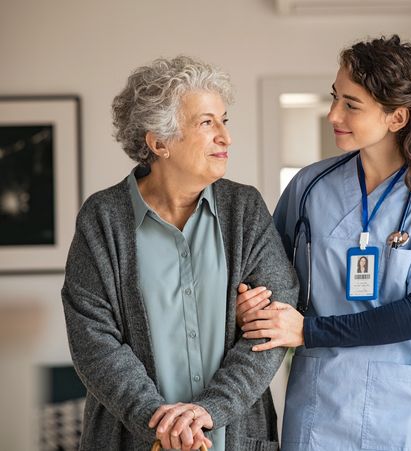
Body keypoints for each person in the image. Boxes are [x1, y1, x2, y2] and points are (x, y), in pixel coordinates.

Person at [236, 35, 411, 450]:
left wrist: (307, 331)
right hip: (322, 406)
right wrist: (253, 302)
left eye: (351, 104)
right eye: (335, 98)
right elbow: (268, 274)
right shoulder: (309, 187)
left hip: (410, 411)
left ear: (397, 117)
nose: (333, 113)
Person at [61, 56, 298, 451]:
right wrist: (160, 424)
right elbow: (93, 341)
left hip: (235, 438)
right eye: (207, 123)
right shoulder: (102, 219)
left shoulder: (245, 209)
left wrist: (210, 411)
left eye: (224, 120)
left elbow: (273, 324)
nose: (225, 137)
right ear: (159, 143)